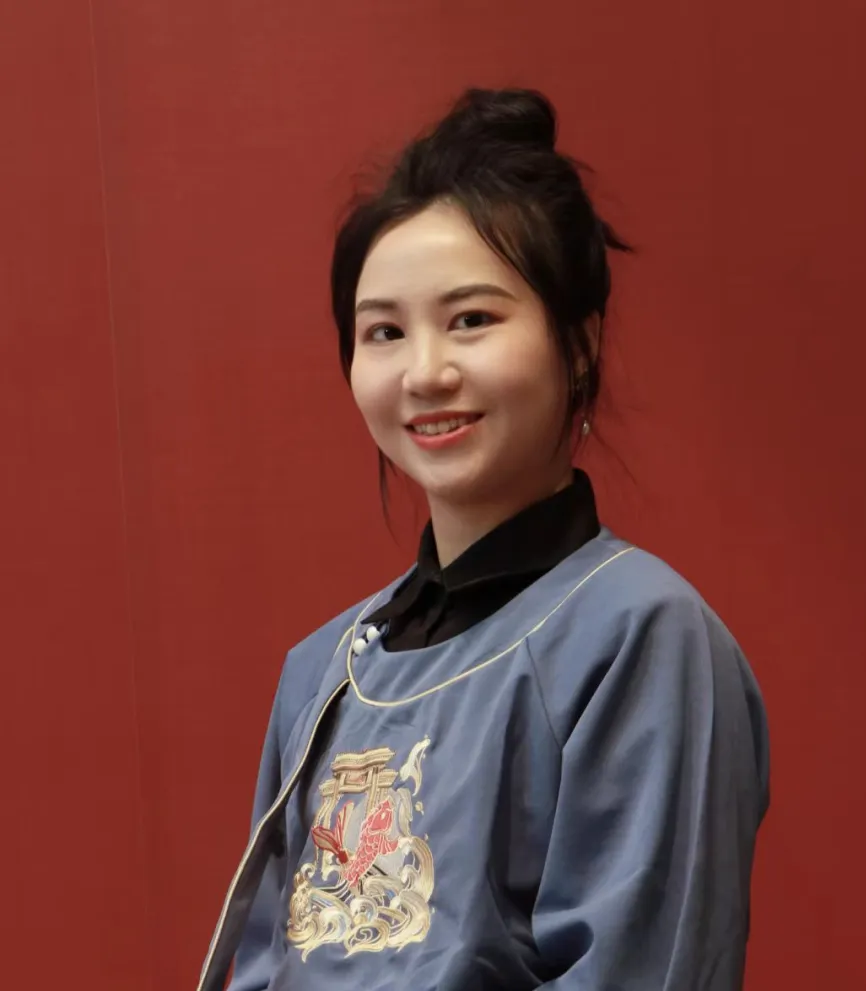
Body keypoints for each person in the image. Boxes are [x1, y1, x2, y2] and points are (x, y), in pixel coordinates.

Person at [198, 88, 770, 991]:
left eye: (471, 319)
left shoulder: (639, 635)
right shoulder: (322, 671)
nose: (425, 371)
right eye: (384, 332)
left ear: (577, 345)